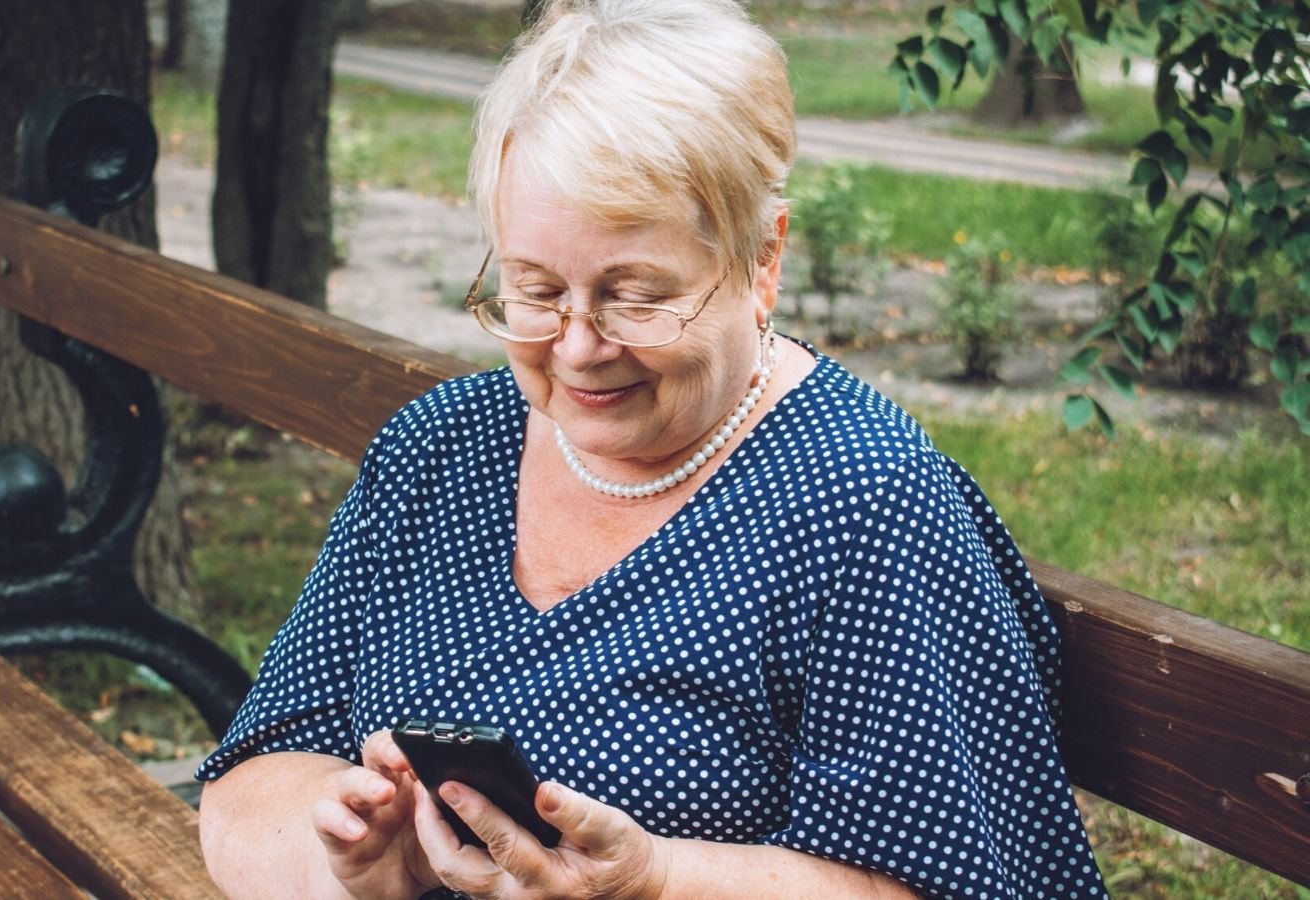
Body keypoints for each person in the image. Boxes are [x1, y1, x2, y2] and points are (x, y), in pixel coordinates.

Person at [196, 1, 1107, 897]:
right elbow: (250, 782)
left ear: (763, 261)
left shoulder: (862, 504)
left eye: (635, 295)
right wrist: (358, 860)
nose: (580, 345)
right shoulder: (442, 448)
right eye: (537, 288)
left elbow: (931, 882)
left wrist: (660, 882)